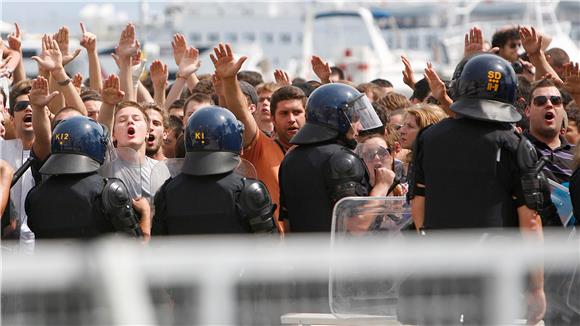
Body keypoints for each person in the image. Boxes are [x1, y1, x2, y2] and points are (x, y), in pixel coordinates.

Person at [409, 53, 546, 324]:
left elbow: (418, 206)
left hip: (440, 269)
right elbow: (530, 222)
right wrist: (537, 286)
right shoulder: (515, 145)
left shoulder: (429, 137)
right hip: (496, 273)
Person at [279, 83, 388, 232]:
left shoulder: (290, 158)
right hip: (338, 253)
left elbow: (287, 223)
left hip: (301, 252)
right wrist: (382, 186)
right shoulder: (343, 160)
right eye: (355, 118)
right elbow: (357, 225)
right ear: (340, 118)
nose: (359, 126)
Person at [152, 106, 276, 235]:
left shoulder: (167, 191)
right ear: (238, 143)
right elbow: (269, 248)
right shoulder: (249, 192)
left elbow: (158, 246)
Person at [26, 115, 149, 240]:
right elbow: (136, 246)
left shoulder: (35, 196)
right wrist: (145, 214)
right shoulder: (109, 191)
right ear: (96, 146)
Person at [524, 79, 574, 184]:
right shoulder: (516, 147)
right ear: (528, 111)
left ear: (563, 110)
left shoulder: (577, 154)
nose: (549, 105)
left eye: (556, 101)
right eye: (541, 101)